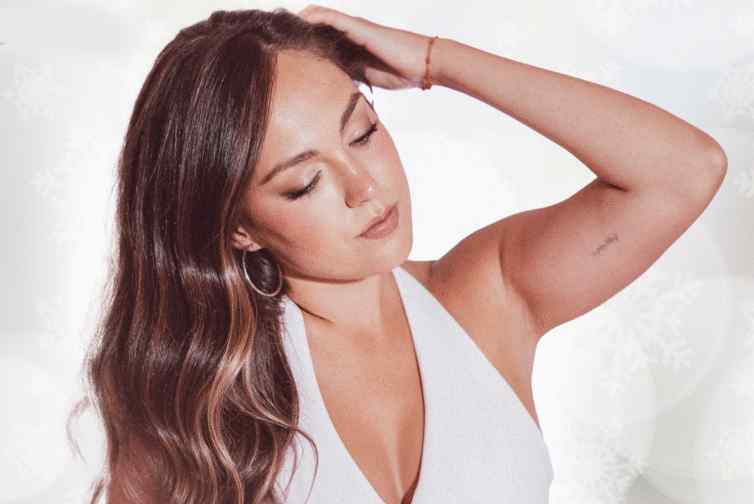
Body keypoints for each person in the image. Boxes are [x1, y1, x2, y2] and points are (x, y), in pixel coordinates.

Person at [68, 4, 727, 504]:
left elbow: (684, 171)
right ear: (239, 227)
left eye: (363, 132)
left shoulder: (486, 299)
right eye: (305, 182)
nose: (365, 187)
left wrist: (439, 61)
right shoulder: (196, 402)